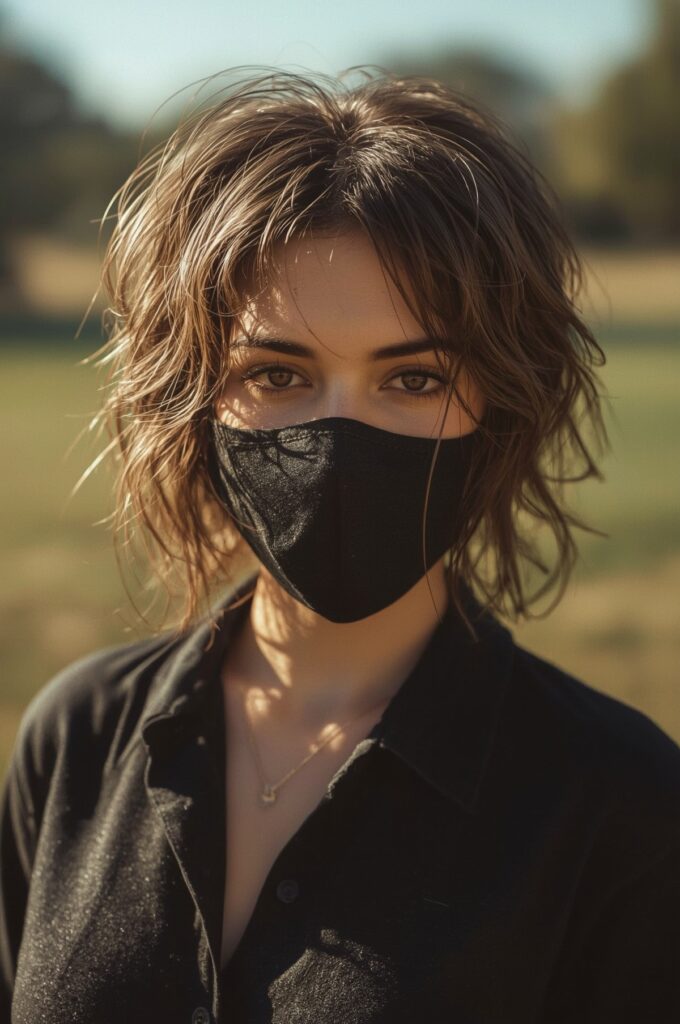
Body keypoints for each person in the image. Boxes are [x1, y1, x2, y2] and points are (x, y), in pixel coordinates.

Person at [1, 67, 679, 1024]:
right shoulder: (75, 738)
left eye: (413, 380)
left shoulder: (620, 802)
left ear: (496, 404)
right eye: (277, 374)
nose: (337, 442)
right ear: (195, 397)